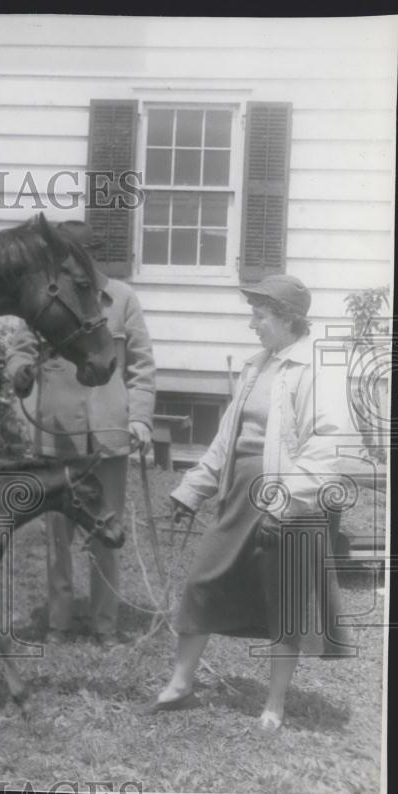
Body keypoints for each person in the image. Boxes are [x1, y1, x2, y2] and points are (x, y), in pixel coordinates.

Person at [138, 274, 355, 730]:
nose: (252, 324)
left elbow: (327, 445)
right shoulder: (256, 365)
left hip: (291, 500)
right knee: (202, 581)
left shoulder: (316, 368)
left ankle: (274, 705)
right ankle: (180, 684)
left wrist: (285, 499)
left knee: (284, 602)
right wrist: (192, 488)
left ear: (288, 320)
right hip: (239, 493)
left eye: (260, 316)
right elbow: (226, 439)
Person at [7, 255, 155, 649]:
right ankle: (58, 623)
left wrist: (139, 418)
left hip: (109, 432)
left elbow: (141, 366)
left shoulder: (122, 298)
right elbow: (20, 351)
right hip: (59, 435)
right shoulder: (44, 300)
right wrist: (20, 372)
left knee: (107, 532)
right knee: (59, 536)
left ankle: (104, 626)